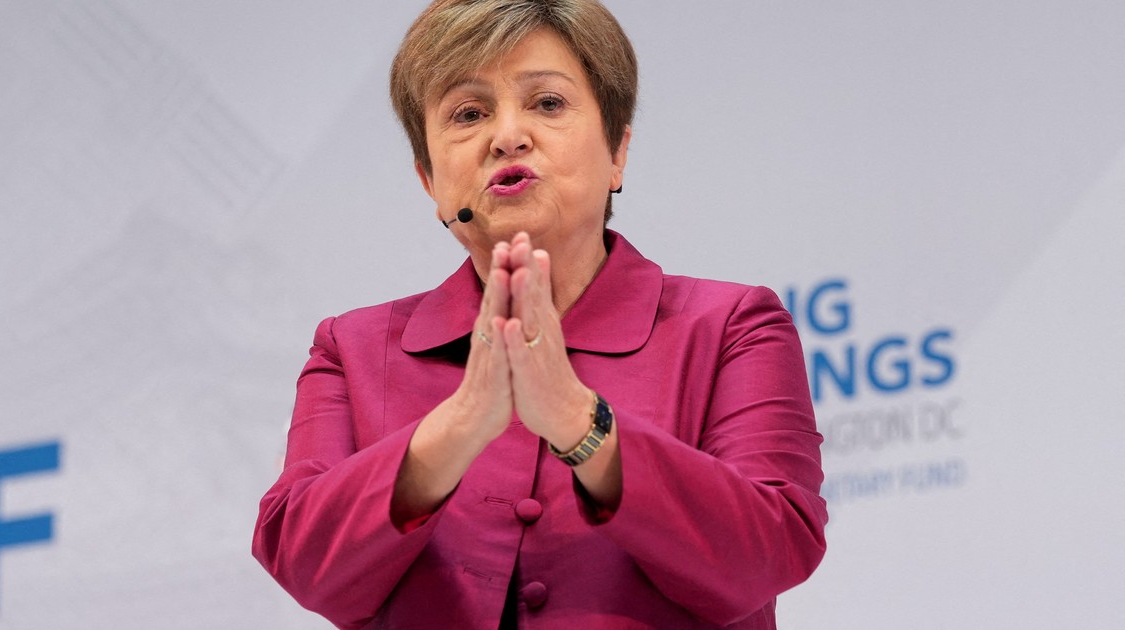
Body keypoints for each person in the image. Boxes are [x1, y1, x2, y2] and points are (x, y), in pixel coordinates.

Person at [252, 1, 827, 628]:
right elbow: (304, 564)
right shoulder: (352, 348)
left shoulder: (732, 327)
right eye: (468, 114)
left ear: (617, 152)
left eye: (548, 103)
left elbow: (771, 553)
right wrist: (462, 423)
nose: (507, 136)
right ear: (429, 180)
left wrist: (577, 420)